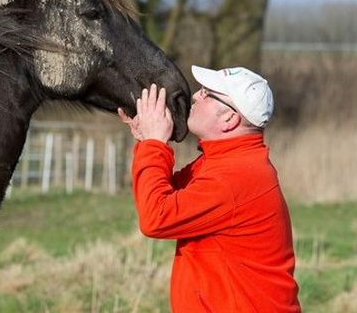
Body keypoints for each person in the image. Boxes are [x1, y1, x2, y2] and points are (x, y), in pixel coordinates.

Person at [118, 65, 301, 312]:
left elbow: (156, 218)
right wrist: (146, 141)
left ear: (229, 118)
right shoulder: (226, 163)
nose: (195, 95)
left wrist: (154, 144)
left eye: (207, 93)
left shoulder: (235, 176)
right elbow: (158, 193)